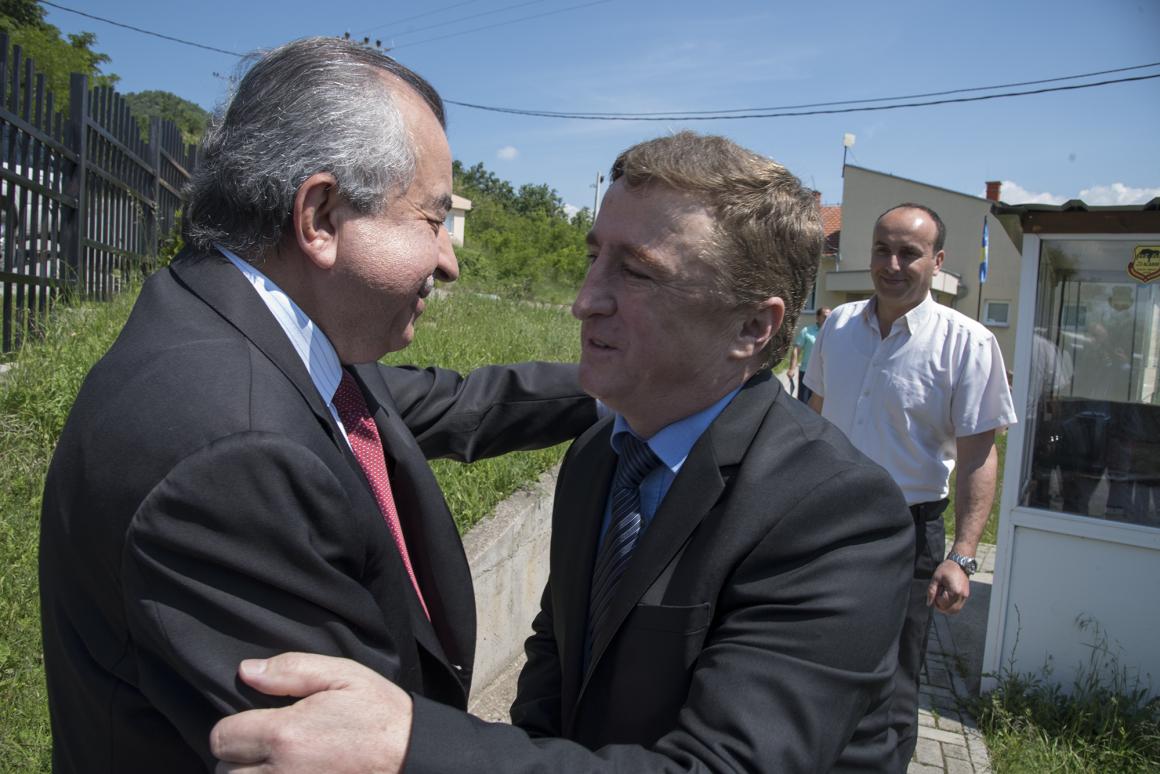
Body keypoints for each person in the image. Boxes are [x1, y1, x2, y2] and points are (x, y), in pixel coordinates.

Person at [210, 132, 914, 773]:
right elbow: (556, 657)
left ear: (752, 327)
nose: (584, 301)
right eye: (592, 258)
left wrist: (411, 746)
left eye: (636, 272)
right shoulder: (599, 459)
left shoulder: (834, 514)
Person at [38, 37, 595, 773]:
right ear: (321, 216)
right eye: (431, 220)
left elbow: (457, 405)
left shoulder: (259, 336)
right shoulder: (236, 453)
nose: (450, 261)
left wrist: (625, 382)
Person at [803, 202, 1017, 770]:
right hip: (824, 521)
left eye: (909, 252)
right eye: (881, 248)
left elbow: (978, 455)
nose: (892, 263)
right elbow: (812, 419)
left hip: (907, 529)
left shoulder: (968, 344)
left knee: (895, 682)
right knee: (811, 656)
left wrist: (964, 555)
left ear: (938, 261)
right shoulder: (839, 327)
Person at [787, 305, 830, 402]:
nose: (828, 319)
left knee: (820, 404)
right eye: (825, 316)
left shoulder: (833, 333)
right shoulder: (807, 331)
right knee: (803, 402)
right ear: (817, 317)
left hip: (825, 374)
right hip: (807, 372)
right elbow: (796, 350)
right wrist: (792, 368)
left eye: (830, 317)